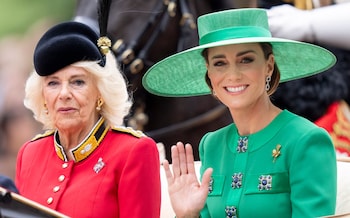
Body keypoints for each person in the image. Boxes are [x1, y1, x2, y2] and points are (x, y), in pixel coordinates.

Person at [142, 8, 337, 217]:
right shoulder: (212, 145)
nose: (233, 75)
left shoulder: (305, 140)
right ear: (209, 72)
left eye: (246, 60)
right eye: (219, 63)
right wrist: (188, 214)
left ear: (269, 66)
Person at [15, 3, 161, 217]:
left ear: (100, 93)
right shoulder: (29, 153)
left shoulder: (134, 151)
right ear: (43, 96)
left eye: (78, 82)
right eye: (53, 83)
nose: (64, 94)